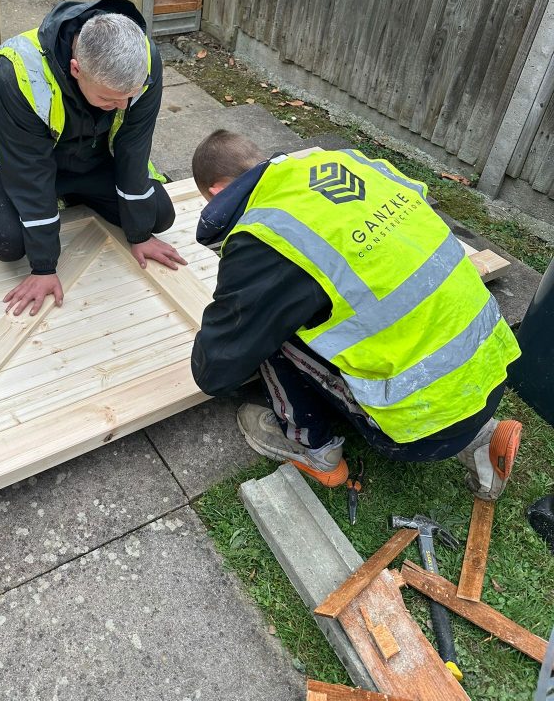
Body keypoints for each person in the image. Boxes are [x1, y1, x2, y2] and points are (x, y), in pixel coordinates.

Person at [189, 130, 523, 501]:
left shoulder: (270, 234)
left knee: (268, 330)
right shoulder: (351, 163)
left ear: (217, 192)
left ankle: (314, 450)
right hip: (489, 374)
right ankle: (482, 437)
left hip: (418, 430)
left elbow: (217, 367)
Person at [0, 0, 185, 316]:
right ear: (76, 68)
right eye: (108, 98)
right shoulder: (18, 71)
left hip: (91, 159)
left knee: (158, 216)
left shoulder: (143, 60)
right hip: (21, 164)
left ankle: (77, 195)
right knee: (7, 243)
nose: (123, 107)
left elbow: (133, 146)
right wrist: (44, 266)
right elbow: (29, 172)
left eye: (128, 97)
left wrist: (139, 233)